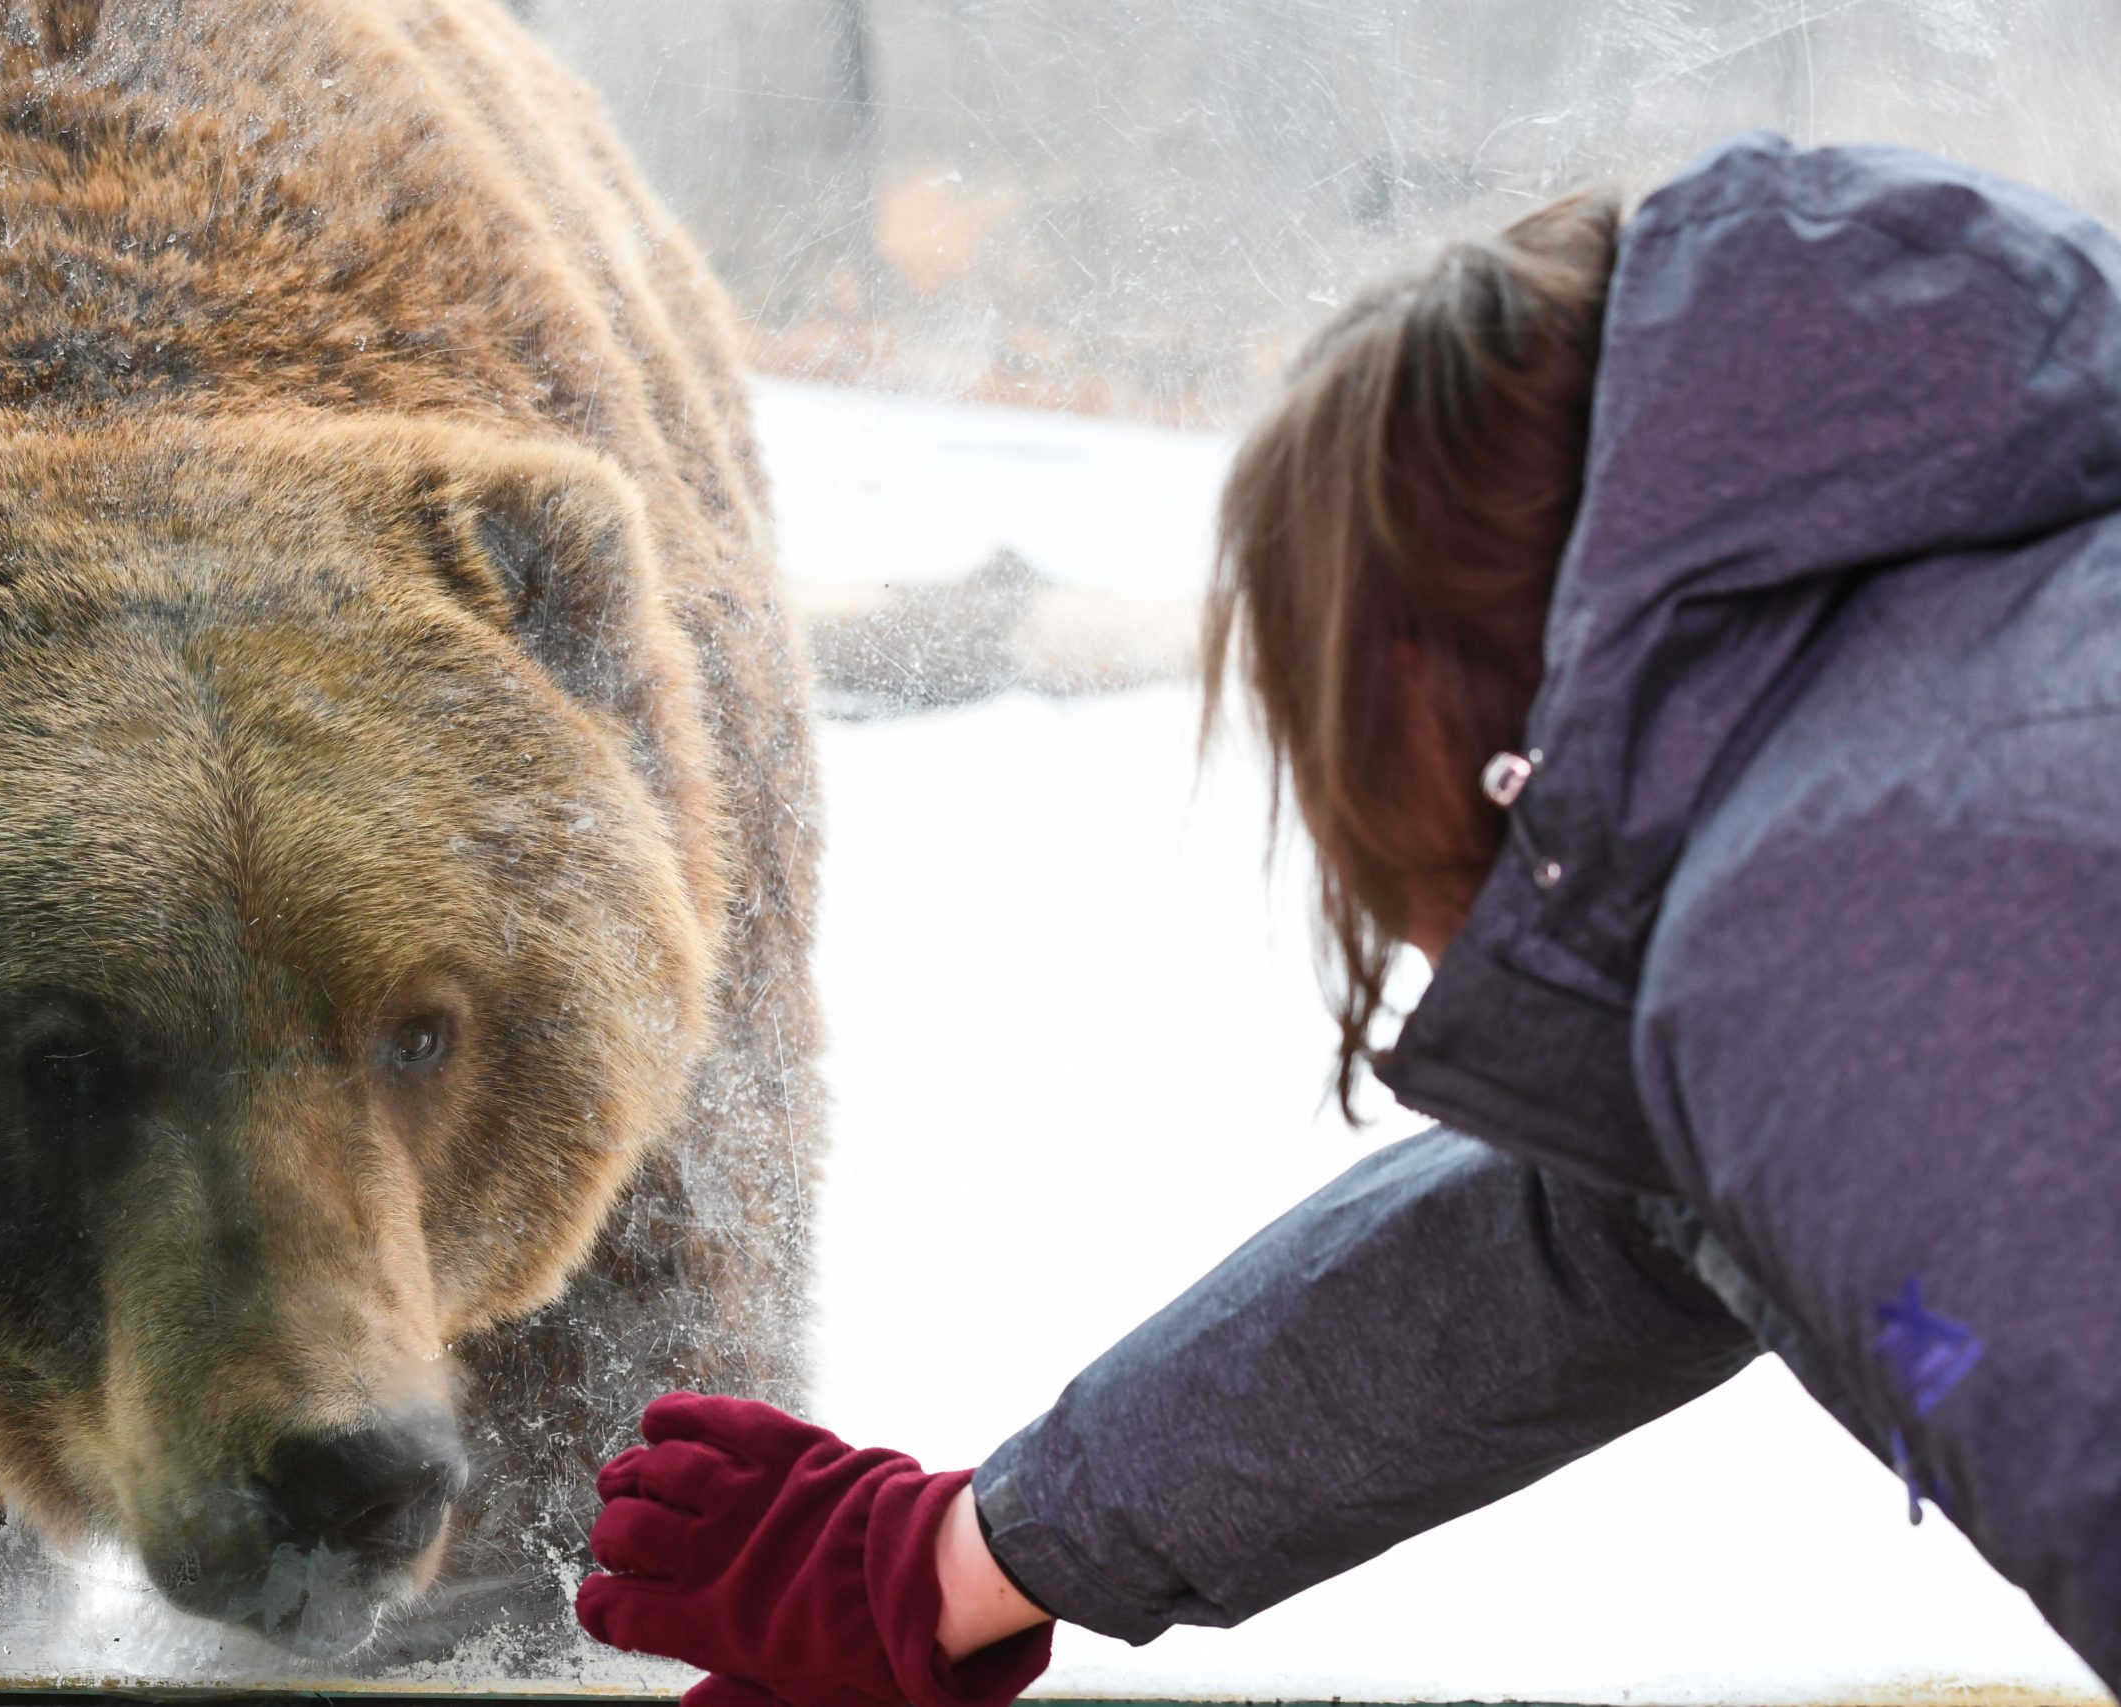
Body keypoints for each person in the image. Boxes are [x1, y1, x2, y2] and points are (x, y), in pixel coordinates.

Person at [571, 132, 2121, 1698]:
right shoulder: (1916, 755)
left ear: (1407, 699)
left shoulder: (1857, 944)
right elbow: (1582, 1225)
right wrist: (951, 1557)